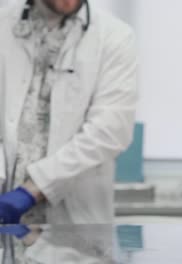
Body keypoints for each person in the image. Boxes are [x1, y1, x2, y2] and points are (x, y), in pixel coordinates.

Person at [0, 0, 137, 224]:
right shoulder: (3, 27)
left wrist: (34, 188)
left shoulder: (114, 37)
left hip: (75, 230)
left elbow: (110, 130)